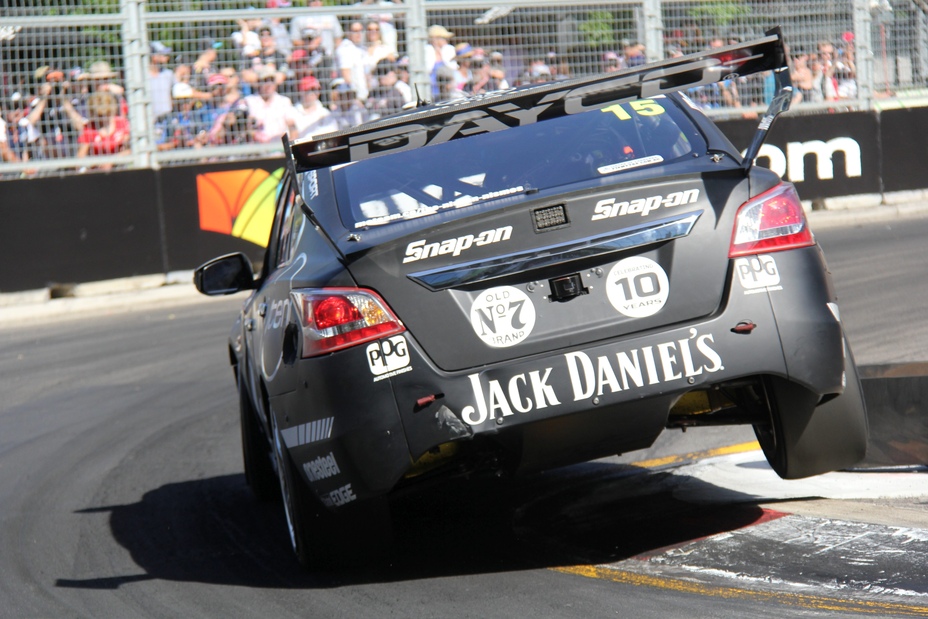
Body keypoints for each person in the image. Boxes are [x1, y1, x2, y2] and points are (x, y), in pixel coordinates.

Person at [243, 66, 300, 144]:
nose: (269, 84)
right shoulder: (249, 101)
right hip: (258, 147)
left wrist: (290, 146)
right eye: (265, 81)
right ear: (259, 82)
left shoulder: (284, 101)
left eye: (272, 80)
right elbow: (246, 128)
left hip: (281, 146)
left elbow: (292, 127)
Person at [75, 90, 131, 169]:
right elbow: (80, 158)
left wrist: (113, 160)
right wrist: (97, 163)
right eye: (99, 115)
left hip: (121, 168)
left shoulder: (121, 123)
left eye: (106, 114)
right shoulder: (89, 128)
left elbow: (132, 150)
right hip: (98, 172)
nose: (103, 118)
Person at [335, 21, 369, 102]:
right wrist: (355, 98)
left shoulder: (361, 48)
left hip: (364, 95)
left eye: (361, 30)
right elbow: (346, 75)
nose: (359, 34)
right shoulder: (345, 49)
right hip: (354, 98)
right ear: (348, 32)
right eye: (355, 31)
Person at [425, 24, 456, 99]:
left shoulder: (449, 49)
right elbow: (427, 69)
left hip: (447, 87)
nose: (446, 40)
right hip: (431, 87)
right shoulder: (427, 50)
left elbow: (453, 68)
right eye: (443, 38)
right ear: (435, 39)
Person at [149, 42, 175, 123]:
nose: (167, 58)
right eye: (163, 55)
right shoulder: (144, 77)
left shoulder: (168, 74)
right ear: (154, 57)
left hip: (167, 120)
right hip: (150, 120)